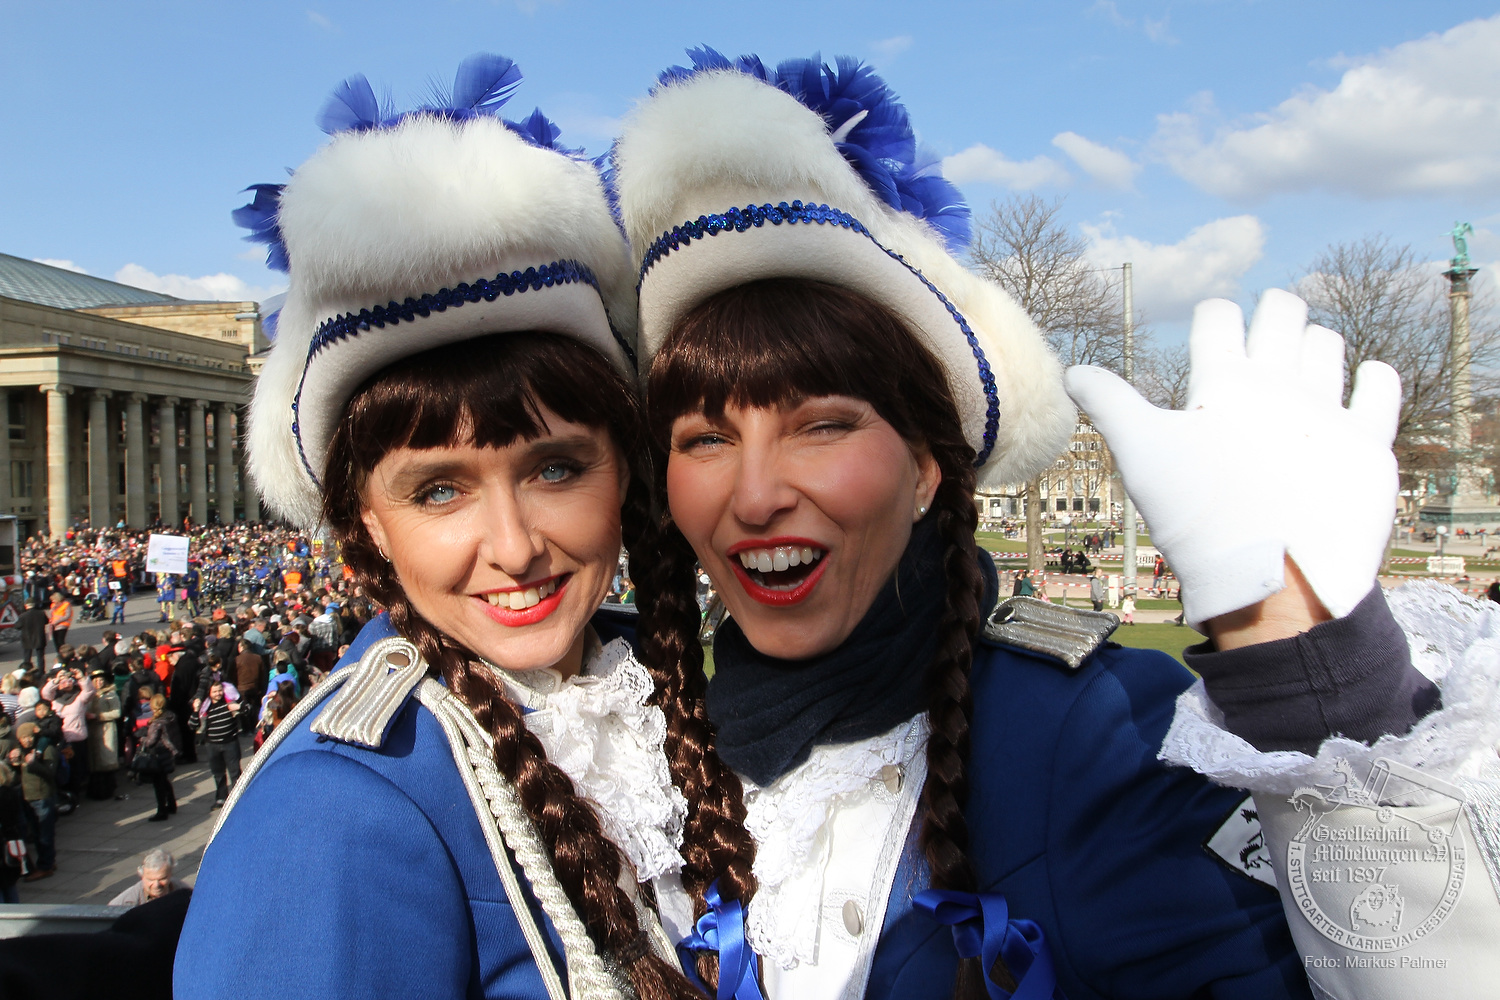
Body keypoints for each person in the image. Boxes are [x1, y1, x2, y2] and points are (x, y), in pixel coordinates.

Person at [614, 50, 1494, 999]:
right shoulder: (641, 745)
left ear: (927, 468)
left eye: (821, 426)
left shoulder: (1095, 733)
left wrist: (1305, 665)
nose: (754, 497)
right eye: (704, 439)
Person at [178, 55, 717, 1000]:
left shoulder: (661, 689)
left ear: (624, 471)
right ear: (369, 526)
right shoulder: (333, 813)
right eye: (438, 492)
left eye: (555, 468)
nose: (513, 546)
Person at [12, 722, 57, 881]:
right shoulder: (22, 751)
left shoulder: (46, 749)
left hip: (42, 796)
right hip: (28, 797)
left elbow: (50, 773)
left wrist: (33, 763)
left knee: (44, 834)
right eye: (23, 737)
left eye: (29, 736)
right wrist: (14, 761)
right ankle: (48, 861)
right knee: (37, 833)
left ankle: (45, 866)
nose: (27, 740)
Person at [198, 681, 241, 807]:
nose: (218, 694)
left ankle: (238, 799)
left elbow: (247, 709)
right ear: (209, 693)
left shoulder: (229, 704)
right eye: (215, 691)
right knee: (218, 773)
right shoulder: (205, 708)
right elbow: (193, 724)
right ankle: (221, 798)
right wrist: (195, 710)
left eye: (220, 691)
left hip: (230, 743)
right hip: (212, 745)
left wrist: (239, 707)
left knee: (235, 772)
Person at [135, 693, 178, 822]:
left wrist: (142, 739)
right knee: (165, 781)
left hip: (158, 755)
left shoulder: (157, 723)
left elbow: (150, 742)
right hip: (168, 753)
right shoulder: (170, 717)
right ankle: (172, 805)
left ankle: (162, 810)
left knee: (158, 784)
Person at [85, 667, 123, 800]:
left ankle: (107, 788)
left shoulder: (111, 694)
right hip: (92, 730)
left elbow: (117, 712)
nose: (98, 683)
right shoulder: (89, 695)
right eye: (96, 680)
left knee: (106, 759)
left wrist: (98, 716)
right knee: (95, 760)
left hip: (106, 729)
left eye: (101, 680)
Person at [108, 848, 185, 908]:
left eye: (162, 879)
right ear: (142, 876)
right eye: (150, 880)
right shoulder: (123, 904)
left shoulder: (185, 893)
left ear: (170, 874)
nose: (156, 885)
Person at [16, 602, 46, 672]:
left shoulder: (23, 616)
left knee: (27, 657)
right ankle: (41, 671)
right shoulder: (41, 613)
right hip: (39, 637)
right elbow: (46, 621)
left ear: (26, 606)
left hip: (27, 638)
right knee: (40, 656)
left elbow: (17, 626)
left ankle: (27, 671)